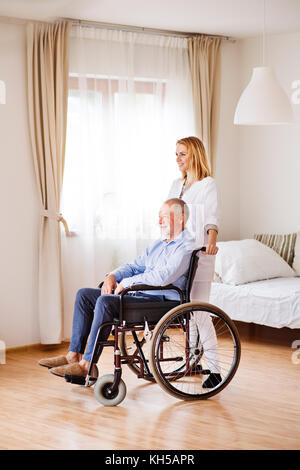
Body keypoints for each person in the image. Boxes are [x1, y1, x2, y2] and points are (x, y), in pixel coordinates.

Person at [38, 198, 194, 380]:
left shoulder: (186, 246)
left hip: (162, 302)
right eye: (158, 217)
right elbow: (134, 266)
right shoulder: (159, 244)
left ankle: (86, 365)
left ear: (181, 218)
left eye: (164, 217)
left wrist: (126, 283)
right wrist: (111, 276)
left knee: (105, 301)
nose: (158, 222)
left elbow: (164, 276)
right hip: (141, 296)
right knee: (84, 295)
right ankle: (73, 355)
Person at [168, 136, 221, 388]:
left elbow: (211, 216)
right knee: (185, 312)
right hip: (179, 255)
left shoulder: (207, 184)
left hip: (200, 255)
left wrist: (211, 241)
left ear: (195, 156)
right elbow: (169, 215)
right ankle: (192, 361)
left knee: (200, 313)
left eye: (182, 154)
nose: (177, 159)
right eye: (176, 154)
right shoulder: (175, 185)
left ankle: (216, 370)